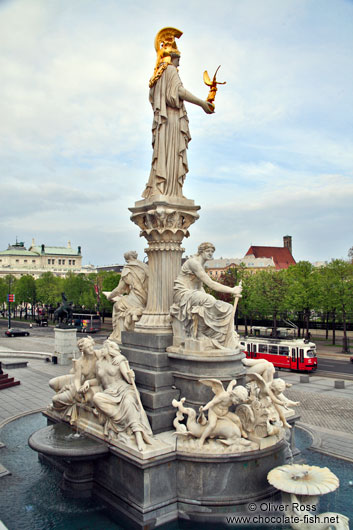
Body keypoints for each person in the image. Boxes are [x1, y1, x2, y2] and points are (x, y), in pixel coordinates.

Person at [142, 27, 214, 199]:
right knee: (171, 154)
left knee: (165, 154)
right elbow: (179, 92)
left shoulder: (158, 75)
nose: (179, 62)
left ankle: (164, 189)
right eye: (178, 58)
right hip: (171, 120)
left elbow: (154, 98)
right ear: (173, 57)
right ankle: (170, 190)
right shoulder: (170, 70)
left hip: (164, 123)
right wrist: (202, 103)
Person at [80, 340, 153, 452]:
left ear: (109, 350)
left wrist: (131, 375)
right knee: (97, 398)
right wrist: (88, 383)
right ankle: (122, 422)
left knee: (128, 402)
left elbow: (129, 380)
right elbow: (98, 382)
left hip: (124, 390)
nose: (101, 350)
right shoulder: (99, 363)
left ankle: (138, 435)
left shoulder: (119, 361)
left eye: (104, 348)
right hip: (109, 393)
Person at [170, 242, 242, 349]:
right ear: (201, 252)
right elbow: (211, 283)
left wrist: (208, 298)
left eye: (212, 252)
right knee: (209, 301)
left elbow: (200, 287)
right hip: (182, 293)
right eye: (208, 251)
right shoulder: (193, 263)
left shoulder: (201, 265)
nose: (210, 254)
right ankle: (200, 334)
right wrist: (232, 290)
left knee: (228, 308)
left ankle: (224, 339)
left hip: (193, 293)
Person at [49, 336, 98, 421]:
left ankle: (60, 405)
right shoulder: (80, 362)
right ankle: (65, 400)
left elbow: (101, 379)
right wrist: (78, 389)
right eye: (88, 347)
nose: (91, 349)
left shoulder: (98, 356)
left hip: (90, 385)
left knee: (55, 400)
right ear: (82, 350)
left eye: (91, 346)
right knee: (52, 383)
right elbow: (77, 379)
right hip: (79, 383)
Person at [106, 251, 148, 342]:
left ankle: (118, 335)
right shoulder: (145, 266)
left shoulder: (128, 269)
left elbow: (119, 289)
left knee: (117, 306)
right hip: (146, 297)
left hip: (136, 297)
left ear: (126, 259)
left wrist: (109, 296)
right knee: (123, 300)